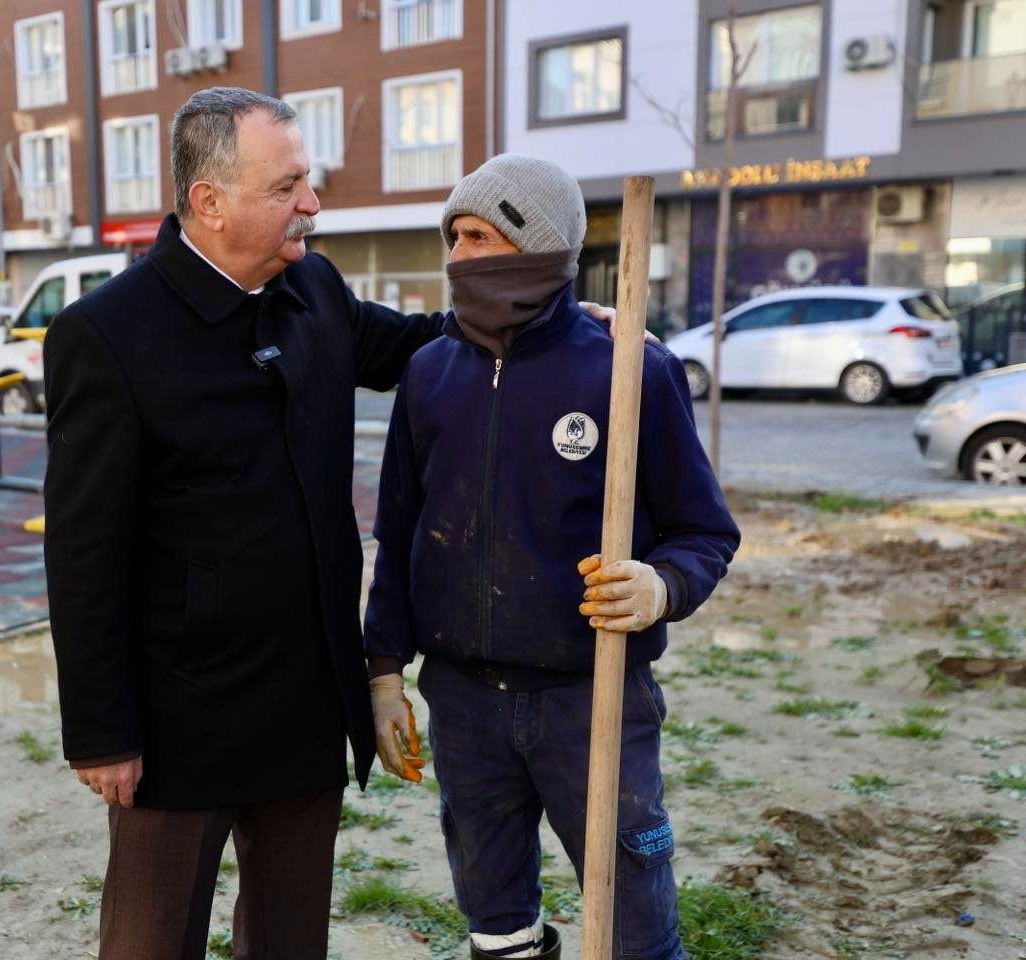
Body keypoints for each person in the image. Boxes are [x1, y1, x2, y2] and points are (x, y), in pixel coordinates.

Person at [43, 88, 617, 960]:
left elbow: (421, 342)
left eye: (307, 180)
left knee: (289, 941)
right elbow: (82, 556)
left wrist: (558, 329)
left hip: (307, 700)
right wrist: (100, 731)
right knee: (150, 942)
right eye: (289, 186)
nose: (312, 202)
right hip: (177, 718)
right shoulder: (107, 335)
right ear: (209, 202)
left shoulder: (312, 286)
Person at [363, 154, 740, 960]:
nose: (458, 255)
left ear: (537, 246)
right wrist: (385, 671)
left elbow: (706, 532)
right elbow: (398, 534)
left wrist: (661, 586)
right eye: (452, 237)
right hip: (464, 703)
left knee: (634, 926)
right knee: (496, 924)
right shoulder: (430, 375)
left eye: (479, 235)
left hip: (592, 696)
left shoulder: (628, 368)